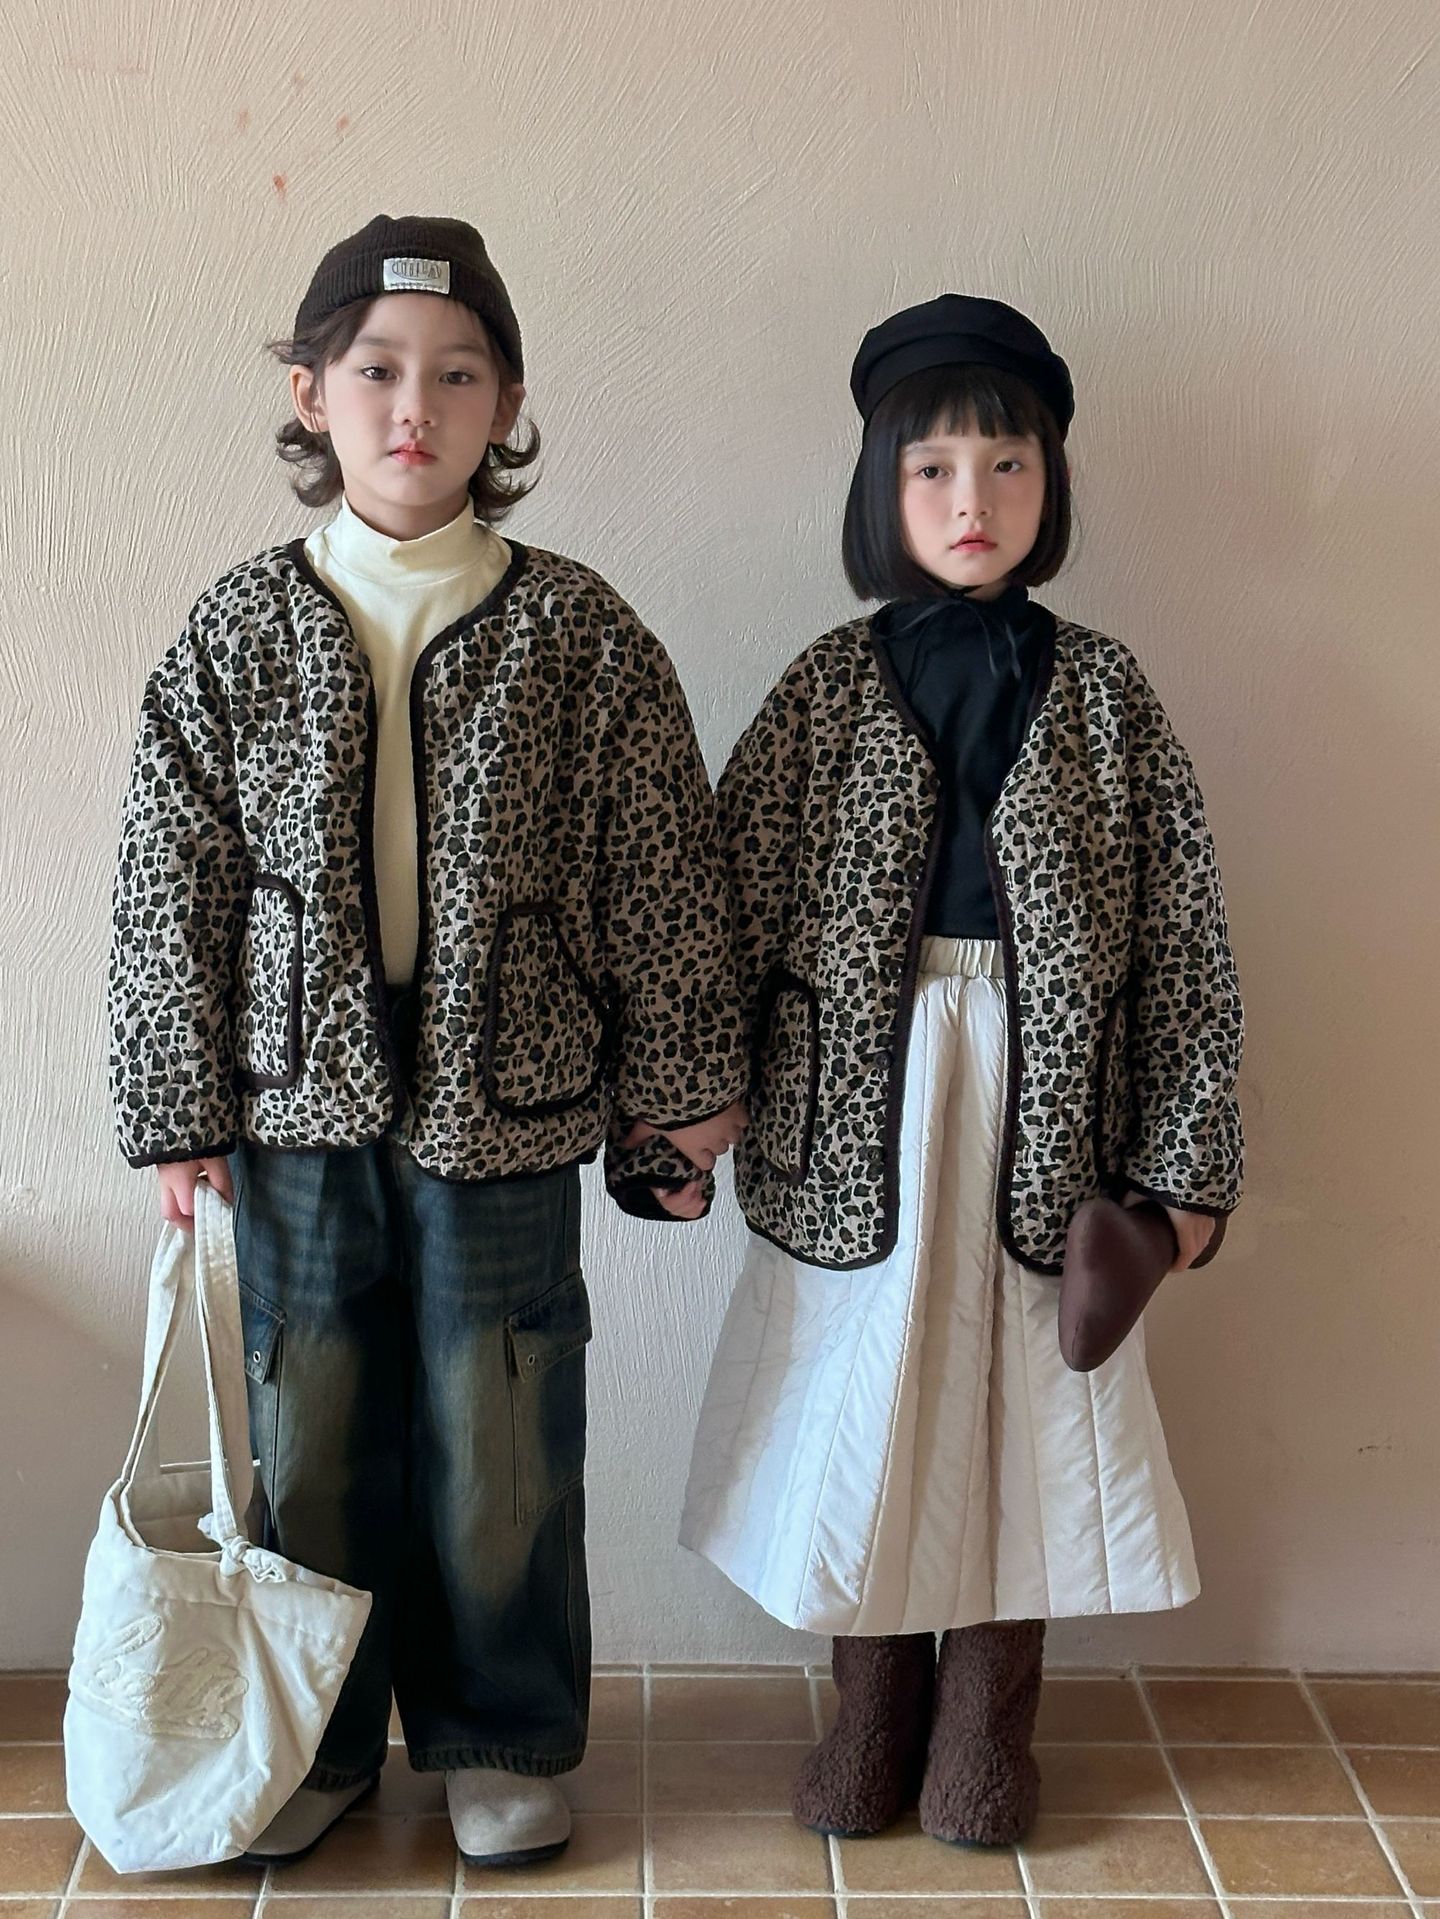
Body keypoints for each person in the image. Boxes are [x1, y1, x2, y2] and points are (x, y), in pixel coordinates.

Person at [107, 214, 746, 1867]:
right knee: (312, 1428)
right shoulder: (238, 629)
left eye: (459, 376)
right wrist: (176, 1104)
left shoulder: (581, 635)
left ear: (506, 405)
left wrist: (682, 1100)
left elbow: (661, 874)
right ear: (311, 394)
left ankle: (501, 1731)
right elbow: (171, 881)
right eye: (378, 371)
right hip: (292, 1105)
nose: (416, 406)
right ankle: (314, 1738)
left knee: (503, 1425)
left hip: (508, 1101)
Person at [681, 295, 1243, 1848]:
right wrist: (685, 1108)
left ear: (1052, 483)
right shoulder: (820, 690)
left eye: (1008, 465)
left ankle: (988, 1729)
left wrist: (1184, 1177)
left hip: (1050, 1123)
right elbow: (722, 913)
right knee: (865, 1404)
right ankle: (873, 1710)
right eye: (932, 469)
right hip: (851, 1125)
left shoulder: (1111, 698)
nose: (971, 499)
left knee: (1023, 1415)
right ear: (881, 489)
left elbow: (1185, 946)